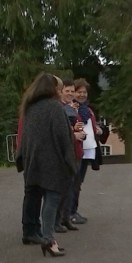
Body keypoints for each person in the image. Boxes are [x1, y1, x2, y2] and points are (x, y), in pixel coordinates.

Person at [16, 73, 77, 257]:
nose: (60, 92)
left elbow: (24, 137)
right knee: (52, 200)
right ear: (52, 89)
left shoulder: (30, 108)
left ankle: (37, 235)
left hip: (33, 162)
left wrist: (22, 159)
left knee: (34, 197)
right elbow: (63, 137)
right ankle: (49, 240)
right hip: (53, 163)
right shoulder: (54, 108)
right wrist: (70, 163)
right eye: (58, 88)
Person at [69, 78, 103, 225]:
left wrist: (98, 129)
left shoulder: (87, 109)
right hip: (77, 149)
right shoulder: (72, 109)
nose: (82, 94)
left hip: (88, 149)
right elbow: (73, 126)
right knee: (73, 182)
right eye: (79, 91)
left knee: (78, 183)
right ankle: (69, 213)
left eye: (84, 92)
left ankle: (73, 211)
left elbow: (89, 126)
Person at [55, 79, 84, 233]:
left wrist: (81, 132)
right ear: (60, 92)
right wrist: (75, 133)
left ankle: (66, 217)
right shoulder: (59, 109)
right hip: (65, 153)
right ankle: (58, 220)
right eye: (68, 91)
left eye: (72, 91)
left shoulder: (72, 109)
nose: (70, 94)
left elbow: (76, 128)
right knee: (63, 188)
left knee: (72, 187)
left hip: (76, 151)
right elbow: (61, 132)